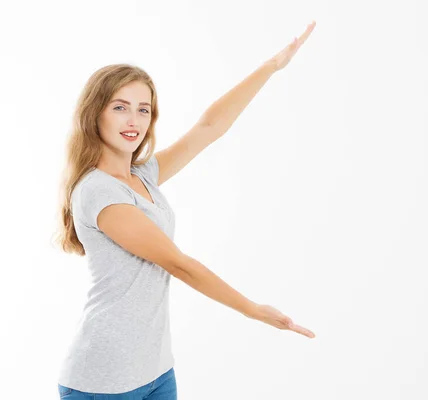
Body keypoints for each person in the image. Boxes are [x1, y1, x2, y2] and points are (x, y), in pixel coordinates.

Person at [52, 21, 317, 399]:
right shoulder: (98, 192)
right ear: (96, 113)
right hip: (104, 379)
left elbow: (208, 127)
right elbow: (178, 264)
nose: (134, 120)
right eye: (120, 107)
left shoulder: (141, 176)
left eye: (144, 110)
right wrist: (252, 309)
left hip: (155, 369)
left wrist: (272, 66)